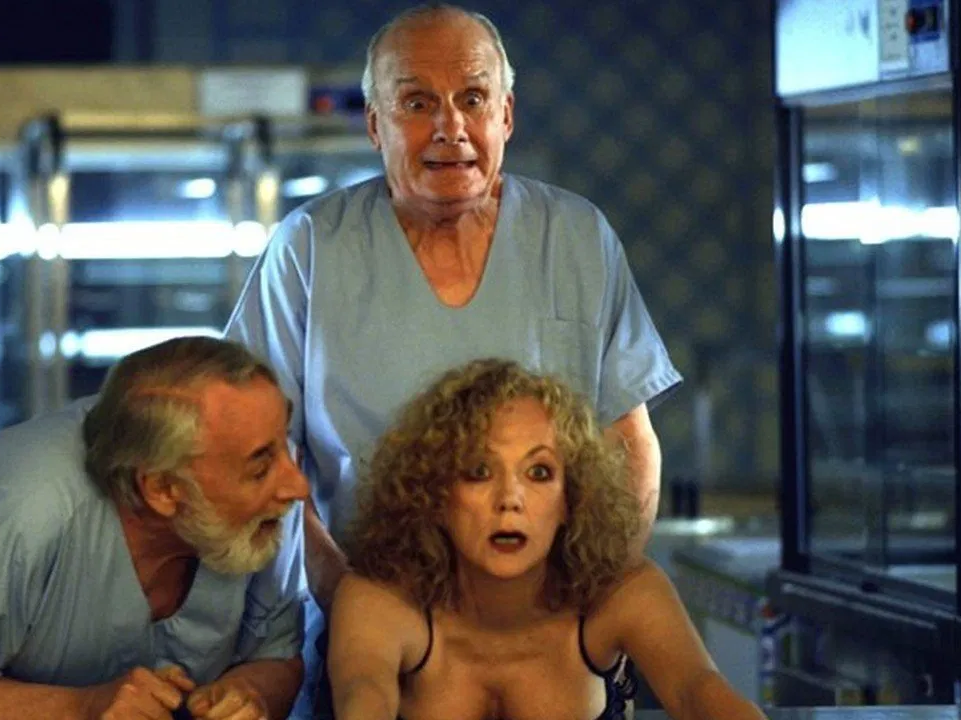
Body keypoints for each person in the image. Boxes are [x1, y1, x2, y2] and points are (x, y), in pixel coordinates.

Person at [223, 3, 681, 715]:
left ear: (506, 115)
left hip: (553, 643)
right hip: (372, 638)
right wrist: (355, 606)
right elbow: (259, 458)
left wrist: (592, 605)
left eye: (473, 98)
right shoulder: (310, 247)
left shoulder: (575, 237)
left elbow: (629, 440)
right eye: (416, 103)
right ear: (374, 124)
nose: (450, 127)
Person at [0, 336, 310, 720]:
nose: (298, 486)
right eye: (261, 465)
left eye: (285, 445)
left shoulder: (251, 524)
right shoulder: (18, 515)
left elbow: (277, 654)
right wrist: (81, 708)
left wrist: (251, 693)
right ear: (161, 489)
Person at [328, 359, 763, 720]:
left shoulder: (620, 592)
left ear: (570, 498)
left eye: (539, 473)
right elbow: (364, 697)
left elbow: (698, 691)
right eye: (478, 471)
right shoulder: (380, 598)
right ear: (436, 496)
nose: (509, 499)